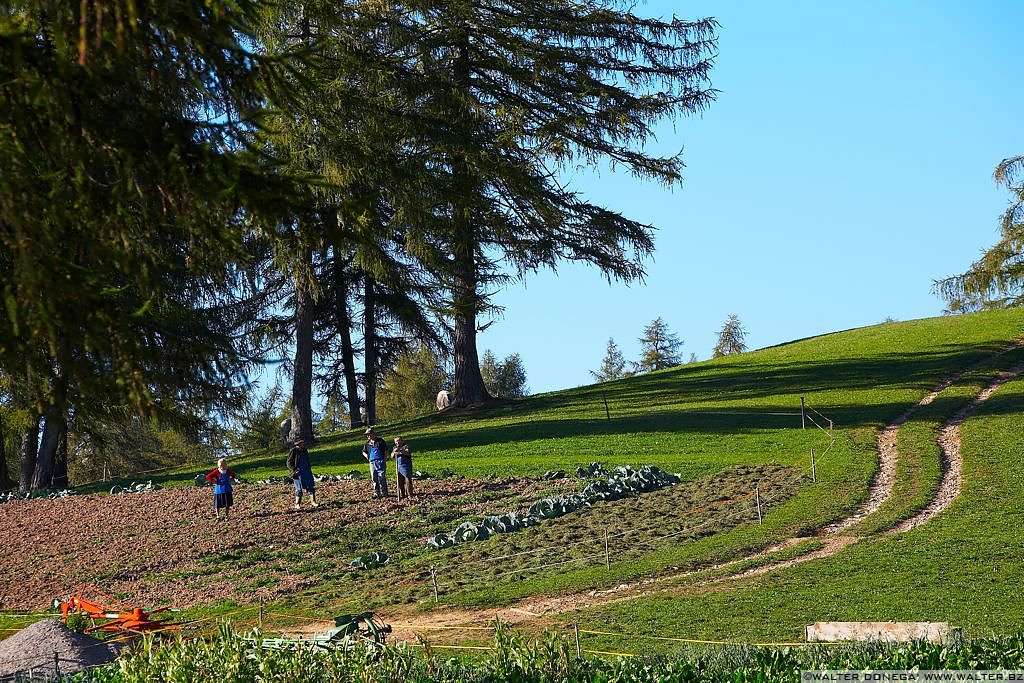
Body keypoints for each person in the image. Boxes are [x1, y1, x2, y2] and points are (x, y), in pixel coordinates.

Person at [287, 438, 318, 510]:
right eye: (301, 443)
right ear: (298, 444)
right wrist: (294, 470)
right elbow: (289, 462)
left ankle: (313, 502)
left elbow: (307, 460)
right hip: (298, 473)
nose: (303, 444)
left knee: (310, 486)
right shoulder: (293, 451)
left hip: (306, 471)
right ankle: (297, 504)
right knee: (299, 489)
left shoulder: (304, 450)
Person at [362, 428, 389, 498]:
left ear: (373, 434)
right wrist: (366, 456)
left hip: (380, 461)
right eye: (367, 435)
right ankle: (376, 493)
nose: (368, 436)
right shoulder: (367, 443)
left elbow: (386, 451)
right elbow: (364, 451)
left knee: (381, 477)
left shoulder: (380, 441)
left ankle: (384, 492)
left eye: (369, 434)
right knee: (374, 478)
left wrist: (385, 459)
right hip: (372, 462)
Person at [392, 435, 414, 501]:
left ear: (402, 441)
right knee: (400, 481)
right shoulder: (395, 447)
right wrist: (394, 453)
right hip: (398, 466)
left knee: (408, 480)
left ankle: (410, 494)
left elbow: (408, 453)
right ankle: (403, 494)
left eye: (398, 441)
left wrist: (401, 450)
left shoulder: (406, 446)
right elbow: (392, 456)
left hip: (406, 465)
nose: (397, 443)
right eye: (396, 442)